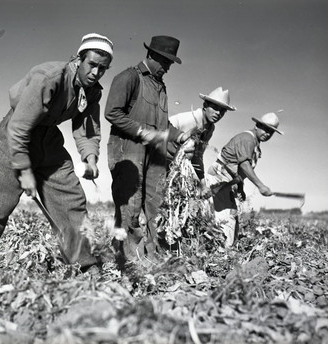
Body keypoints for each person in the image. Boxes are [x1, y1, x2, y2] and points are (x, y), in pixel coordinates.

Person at [0, 33, 114, 270]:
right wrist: (24, 169)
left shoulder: (92, 91)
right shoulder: (49, 77)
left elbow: (88, 130)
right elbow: (19, 126)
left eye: (103, 69)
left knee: (71, 200)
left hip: (48, 139)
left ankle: (86, 265)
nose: (96, 73)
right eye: (92, 65)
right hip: (15, 137)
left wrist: (90, 159)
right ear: (78, 59)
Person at [105, 35, 188, 263]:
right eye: (166, 62)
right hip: (128, 151)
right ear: (151, 55)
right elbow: (112, 113)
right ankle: (125, 263)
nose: (168, 68)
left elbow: (162, 124)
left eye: (170, 64)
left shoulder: (160, 87)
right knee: (129, 209)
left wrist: (178, 135)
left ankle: (154, 260)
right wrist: (141, 132)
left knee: (157, 206)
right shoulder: (129, 77)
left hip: (155, 156)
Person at [206, 112, 283, 247]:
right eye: (265, 129)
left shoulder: (254, 143)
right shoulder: (248, 139)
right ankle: (223, 254)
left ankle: (225, 250)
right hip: (219, 180)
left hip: (227, 182)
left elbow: (239, 169)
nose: (268, 134)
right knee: (227, 220)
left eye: (271, 132)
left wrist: (240, 187)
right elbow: (244, 165)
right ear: (257, 125)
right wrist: (261, 186)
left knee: (232, 220)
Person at [168, 86, 237, 198]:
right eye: (215, 108)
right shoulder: (187, 119)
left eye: (222, 111)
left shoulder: (210, 129)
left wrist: (203, 184)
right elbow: (160, 130)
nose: (218, 113)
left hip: (175, 168)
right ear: (205, 106)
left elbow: (198, 156)